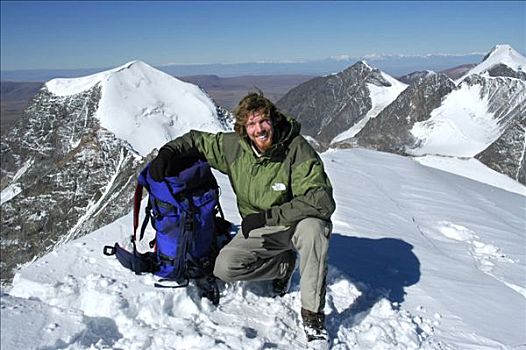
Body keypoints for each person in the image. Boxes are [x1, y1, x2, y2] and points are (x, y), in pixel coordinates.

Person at [148, 92, 336, 342]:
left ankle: (312, 316)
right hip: (261, 228)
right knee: (225, 268)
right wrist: (168, 153)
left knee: (315, 229)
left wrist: (270, 216)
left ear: (274, 120)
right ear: (243, 128)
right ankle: (283, 266)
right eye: (251, 124)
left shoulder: (296, 149)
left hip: (296, 223)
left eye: (263, 121)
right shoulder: (235, 148)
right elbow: (197, 140)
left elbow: (321, 200)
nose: (259, 129)